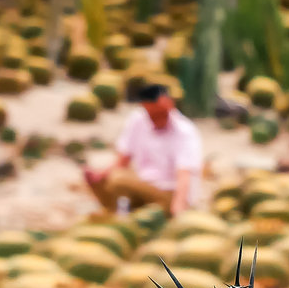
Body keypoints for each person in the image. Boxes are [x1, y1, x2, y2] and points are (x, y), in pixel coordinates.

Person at [85, 83, 202, 215]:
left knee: (118, 179)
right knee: (110, 178)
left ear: (170, 105)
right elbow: (122, 160)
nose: (156, 118)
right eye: (152, 114)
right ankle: (123, 214)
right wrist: (100, 176)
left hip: (169, 193)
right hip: (142, 185)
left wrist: (179, 208)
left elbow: (184, 175)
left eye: (160, 113)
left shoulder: (185, 131)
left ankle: (135, 214)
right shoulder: (137, 120)